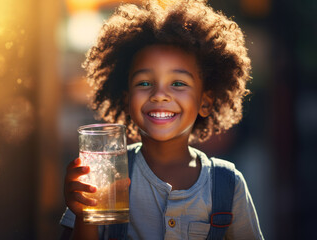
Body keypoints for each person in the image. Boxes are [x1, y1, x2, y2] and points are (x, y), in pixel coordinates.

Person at [60, 0, 264, 239]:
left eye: (178, 83)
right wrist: (85, 214)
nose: (159, 95)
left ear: (205, 102)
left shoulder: (228, 185)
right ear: (127, 99)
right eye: (144, 83)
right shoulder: (106, 176)